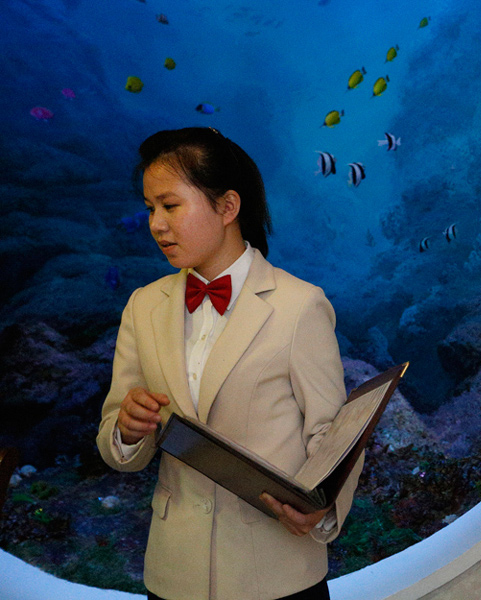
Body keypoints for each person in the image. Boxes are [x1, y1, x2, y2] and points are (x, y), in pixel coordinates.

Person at [96, 127, 361, 600]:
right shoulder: (143, 305)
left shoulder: (300, 305)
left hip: (277, 574)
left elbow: (331, 435)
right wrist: (127, 429)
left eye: (170, 205)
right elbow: (115, 436)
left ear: (228, 207)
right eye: (150, 208)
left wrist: (322, 503)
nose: (156, 224)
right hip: (173, 572)